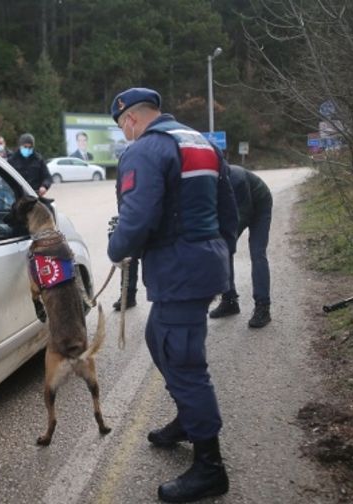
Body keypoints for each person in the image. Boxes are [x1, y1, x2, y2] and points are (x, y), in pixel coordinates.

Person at [106, 87, 238, 503]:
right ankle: (187, 417)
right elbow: (229, 207)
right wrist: (219, 253)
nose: (126, 134)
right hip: (202, 262)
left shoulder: (146, 149)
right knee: (157, 337)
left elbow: (137, 216)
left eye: (123, 127)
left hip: (180, 270)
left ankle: (209, 467)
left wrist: (116, 248)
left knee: (183, 360)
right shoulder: (198, 140)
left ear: (130, 119)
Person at [209, 164, 273, 328]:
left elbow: (243, 214)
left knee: (257, 253)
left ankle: (263, 307)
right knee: (224, 249)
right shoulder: (207, 181)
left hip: (260, 204)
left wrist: (227, 240)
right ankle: (230, 301)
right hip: (238, 208)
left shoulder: (235, 178)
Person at [8, 132, 52, 197]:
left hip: (35, 195)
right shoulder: (12, 160)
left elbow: (47, 177)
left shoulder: (38, 159)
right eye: (25, 147)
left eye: (30, 147)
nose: (27, 149)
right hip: (18, 195)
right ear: (20, 146)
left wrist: (44, 186)